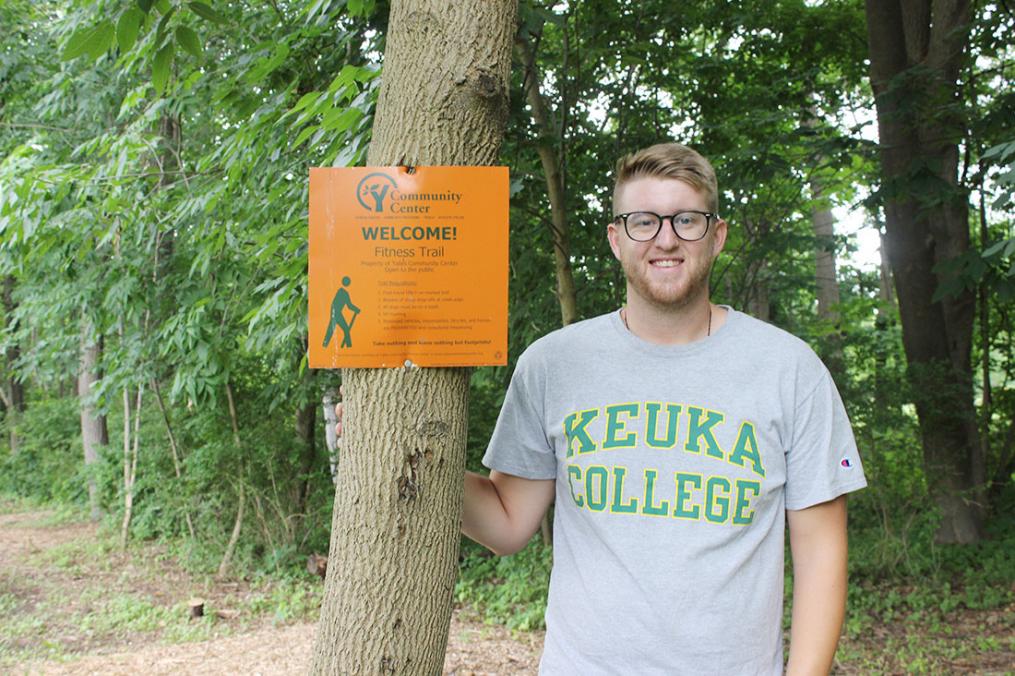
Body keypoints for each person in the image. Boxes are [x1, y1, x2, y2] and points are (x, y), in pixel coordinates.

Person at [337, 143, 867, 675]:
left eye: (687, 219)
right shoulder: (553, 364)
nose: (665, 238)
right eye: (643, 221)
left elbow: (821, 551)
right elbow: (505, 523)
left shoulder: (789, 369)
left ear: (717, 235)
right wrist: (395, 444)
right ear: (616, 238)